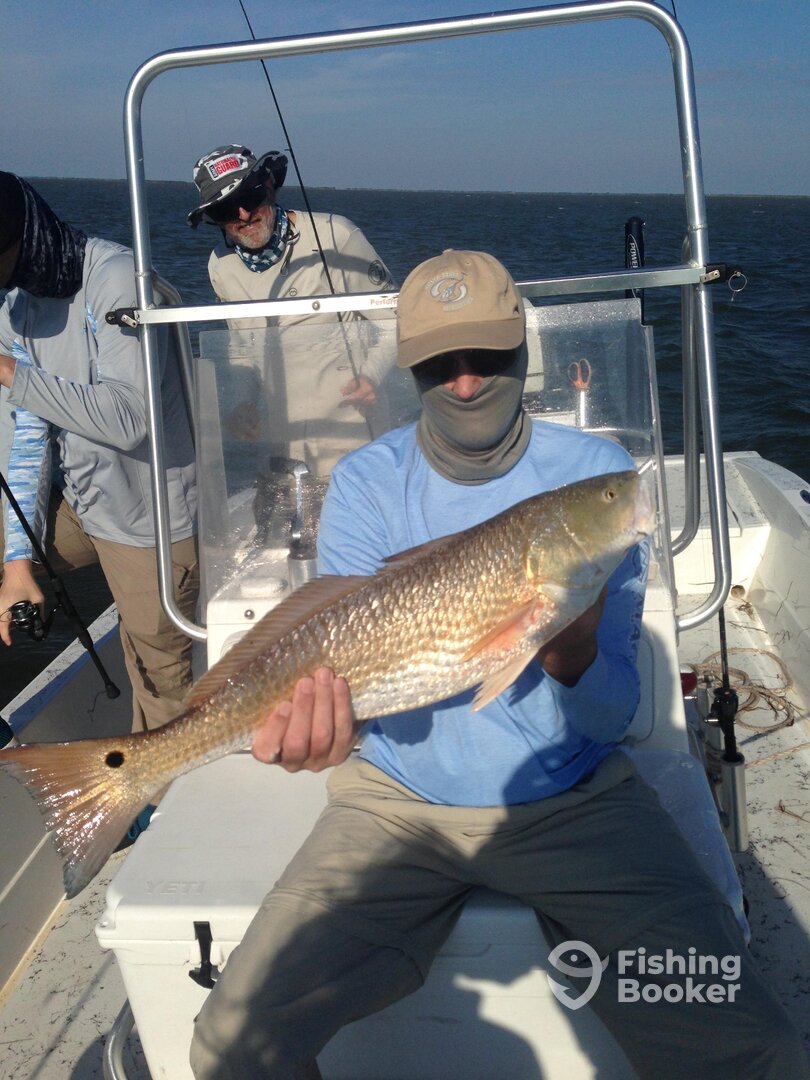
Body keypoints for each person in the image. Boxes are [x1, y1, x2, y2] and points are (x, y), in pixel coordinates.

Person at [189, 251, 807, 1079]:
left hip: (573, 796)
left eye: (486, 353)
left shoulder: (596, 479)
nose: (466, 380)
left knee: (758, 1048)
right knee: (228, 1044)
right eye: (438, 362)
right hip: (394, 803)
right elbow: (347, 681)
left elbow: (613, 716)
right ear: (409, 368)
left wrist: (570, 649)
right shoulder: (367, 483)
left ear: (522, 347)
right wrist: (322, 737)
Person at [0, 172, 198, 734]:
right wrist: (17, 564)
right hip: (86, 506)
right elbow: (28, 440)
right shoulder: (16, 308)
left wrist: (9, 372)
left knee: (158, 677)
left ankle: (165, 784)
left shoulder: (115, 278)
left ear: (22, 237)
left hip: (151, 519)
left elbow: (130, 419)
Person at [187, 145, 398, 473]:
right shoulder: (220, 266)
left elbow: (396, 319)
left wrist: (372, 374)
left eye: (251, 196)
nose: (243, 214)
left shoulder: (336, 235)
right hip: (281, 447)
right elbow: (243, 349)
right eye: (226, 209)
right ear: (214, 219)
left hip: (355, 440)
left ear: (269, 186)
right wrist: (242, 404)